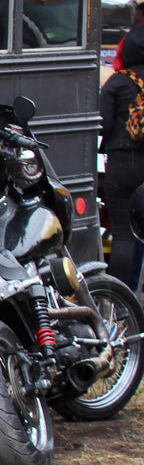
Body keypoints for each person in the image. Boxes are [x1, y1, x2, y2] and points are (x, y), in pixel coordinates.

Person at [99, 25, 144, 291]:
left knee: (124, 235)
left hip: (121, 163)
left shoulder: (117, 81)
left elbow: (102, 125)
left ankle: (120, 297)